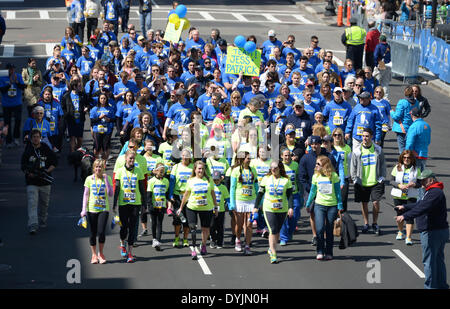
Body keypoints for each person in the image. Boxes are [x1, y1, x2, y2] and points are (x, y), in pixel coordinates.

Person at [395, 169, 449, 289]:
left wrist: (404, 216)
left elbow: (423, 208)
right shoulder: (432, 191)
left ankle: (430, 287)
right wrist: (405, 206)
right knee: (438, 260)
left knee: (429, 261)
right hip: (439, 230)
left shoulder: (434, 193)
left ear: (432, 180)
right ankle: (441, 286)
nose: (422, 183)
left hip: (432, 231)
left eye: (424, 181)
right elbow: (420, 204)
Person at [299, 135, 338, 246]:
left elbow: (335, 172)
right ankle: (315, 235)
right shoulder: (305, 158)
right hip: (310, 190)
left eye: (317, 144)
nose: (314, 146)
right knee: (312, 213)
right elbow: (302, 177)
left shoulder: (329, 157)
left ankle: (324, 235)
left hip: (326, 190)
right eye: (313, 144)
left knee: (325, 214)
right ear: (310, 145)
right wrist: (309, 188)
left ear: (320, 144)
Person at [253, 161, 293, 264]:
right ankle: (274, 253)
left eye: (275, 167)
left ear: (280, 168)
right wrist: (256, 207)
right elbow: (260, 194)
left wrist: (290, 207)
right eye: (271, 168)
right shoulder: (266, 179)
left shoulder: (286, 180)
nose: (273, 169)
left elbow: (290, 196)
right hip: (268, 208)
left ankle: (271, 248)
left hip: (282, 209)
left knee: (277, 230)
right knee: (272, 230)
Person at [177, 160, 218, 259]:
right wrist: (181, 207)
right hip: (192, 207)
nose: (201, 170)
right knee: (193, 228)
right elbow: (186, 195)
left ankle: (203, 245)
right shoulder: (191, 180)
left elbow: (213, 194)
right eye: (199, 168)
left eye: (202, 169)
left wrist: (216, 207)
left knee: (205, 229)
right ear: (195, 170)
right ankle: (194, 249)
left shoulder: (209, 180)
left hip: (206, 208)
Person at [305, 155, 343, 260]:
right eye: (316, 163)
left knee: (329, 229)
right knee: (320, 228)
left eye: (318, 164)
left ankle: (329, 252)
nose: (316, 166)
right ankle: (320, 250)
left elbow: (338, 192)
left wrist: (340, 205)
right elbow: (312, 191)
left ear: (325, 165)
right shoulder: (315, 177)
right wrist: (308, 204)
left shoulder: (334, 176)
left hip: (332, 206)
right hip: (319, 205)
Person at [21, 129, 58, 234]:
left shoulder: (46, 148)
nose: (36, 139)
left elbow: (54, 162)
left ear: (40, 138)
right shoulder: (28, 150)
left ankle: (42, 219)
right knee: (32, 203)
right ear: (31, 138)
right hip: (32, 182)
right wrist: (29, 173)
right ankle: (33, 224)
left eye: (37, 137)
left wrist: (47, 170)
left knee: (44, 204)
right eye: (34, 137)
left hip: (45, 181)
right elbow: (23, 166)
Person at [350, 128, 386, 235]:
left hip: (375, 181)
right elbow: (353, 166)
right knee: (364, 203)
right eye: (363, 136)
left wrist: (382, 177)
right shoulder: (357, 151)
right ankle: (366, 223)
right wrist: (355, 179)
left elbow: (383, 164)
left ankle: (375, 223)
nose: (365, 138)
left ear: (371, 137)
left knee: (375, 202)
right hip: (362, 182)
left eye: (367, 136)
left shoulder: (378, 149)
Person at [113, 150, 147, 263]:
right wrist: (114, 203)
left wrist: (144, 204)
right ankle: (122, 243)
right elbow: (117, 188)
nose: (132, 160)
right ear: (126, 158)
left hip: (135, 203)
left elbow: (142, 188)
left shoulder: (138, 171)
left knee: (133, 228)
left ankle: (130, 253)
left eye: (133, 158)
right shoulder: (119, 171)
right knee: (124, 227)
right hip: (123, 203)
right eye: (130, 158)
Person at [81, 159, 113, 264]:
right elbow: (86, 195)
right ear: (93, 168)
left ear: (103, 168)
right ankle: (94, 255)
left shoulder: (107, 178)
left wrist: (107, 181)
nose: (98, 169)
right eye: (96, 167)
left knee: (101, 232)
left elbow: (110, 194)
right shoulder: (89, 179)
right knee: (93, 233)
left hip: (103, 208)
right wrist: (83, 210)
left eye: (100, 167)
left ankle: (101, 253)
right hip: (92, 209)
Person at [229, 151, 258, 255]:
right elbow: (232, 188)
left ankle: (247, 245)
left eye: (250, 158)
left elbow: (256, 186)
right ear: (242, 159)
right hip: (239, 200)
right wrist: (232, 203)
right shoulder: (235, 171)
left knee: (249, 224)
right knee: (240, 224)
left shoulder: (253, 170)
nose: (249, 160)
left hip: (251, 200)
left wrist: (259, 201)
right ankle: (237, 239)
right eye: (247, 158)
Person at [391, 150, 421, 246]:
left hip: (411, 196)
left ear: (412, 159)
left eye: (408, 157)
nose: (406, 159)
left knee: (410, 216)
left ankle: (408, 237)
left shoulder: (417, 169)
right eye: (404, 157)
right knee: (400, 214)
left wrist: (414, 184)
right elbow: (391, 181)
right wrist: (399, 185)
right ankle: (400, 231)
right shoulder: (397, 167)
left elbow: (420, 184)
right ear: (401, 158)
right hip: (398, 194)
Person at [168, 148, 194, 248]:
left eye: (187, 155)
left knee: (187, 219)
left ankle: (185, 239)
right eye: (183, 155)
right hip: (177, 195)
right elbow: (172, 182)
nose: (185, 157)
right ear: (181, 156)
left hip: (189, 196)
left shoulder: (193, 167)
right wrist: (170, 195)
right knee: (177, 218)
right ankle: (176, 237)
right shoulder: (176, 167)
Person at [1, 63, 26, 148]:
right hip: (6, 104)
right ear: (6, 70)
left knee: (18, 120)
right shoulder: (2, 77)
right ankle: (8, 141)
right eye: (10, 69)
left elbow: (23, 87)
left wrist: (16, 82)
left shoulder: (18, 76)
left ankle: (16, 138)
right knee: (7, 122)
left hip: (17, 103)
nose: (11, 71)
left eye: (13, 69)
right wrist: (10, 83)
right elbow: (2, 90)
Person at [61, 79, 90, 153]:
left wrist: (87, 108)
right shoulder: (66, 96)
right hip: (71, 119)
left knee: (80, 138)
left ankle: (78, 151)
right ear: (74, 86)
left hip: (80, 119)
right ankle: (72, 153)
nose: (81, 87)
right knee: (72, 137)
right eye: (79, 86)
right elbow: (63, 107)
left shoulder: (82, 95)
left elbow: (88, 104)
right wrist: (66, 114)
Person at [147, 162, 169, 251]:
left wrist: (169, 202)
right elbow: (148, 194)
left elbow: (166, 193)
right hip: (153, 205)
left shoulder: (166, 181)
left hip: (162, 205)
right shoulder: (151, 181)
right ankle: (154, 239)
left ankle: (158, 240)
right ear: (155, 171)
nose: (161, 173)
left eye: (163, 172)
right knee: (154, 223)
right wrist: (150, 205)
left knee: (160, 223)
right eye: (160, 171)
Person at [391, 86, 419, 155]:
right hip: (411, 128)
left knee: (402, 149)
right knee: (409, 148)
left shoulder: (402, 102)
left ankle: (403, 163)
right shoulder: (416, 103)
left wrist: (391, 112)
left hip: (401, 129)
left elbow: (396, 116)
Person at [405, 107, 431, 172]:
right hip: (424, 154)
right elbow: (428, 141)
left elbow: (409, 143)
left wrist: (408, 153)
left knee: (413, 177)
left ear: (412, 115)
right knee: (421, 176)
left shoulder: (414, 126)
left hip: (415, 156)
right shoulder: (427, 125)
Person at [210, 170, 230, 249]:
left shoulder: (223, 188)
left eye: (217, 179)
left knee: (220, 227)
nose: (216, 181)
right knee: (211, 226)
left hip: (221, 210)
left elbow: (227, 198)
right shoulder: (210, 187)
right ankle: (213, 239)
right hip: (211, 210)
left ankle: (220, 242)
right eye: (214, 179)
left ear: (221, 179)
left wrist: (229, 205)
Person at [373, 35, 392, 100]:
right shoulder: (388, 46)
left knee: (376, 81)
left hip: (381, 64)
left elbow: (375, 56)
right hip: (388, 64)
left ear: (380, 40)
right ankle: (385, 98)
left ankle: (376, 96)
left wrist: (376, 64)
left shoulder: (378, 46)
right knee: (385, 83)